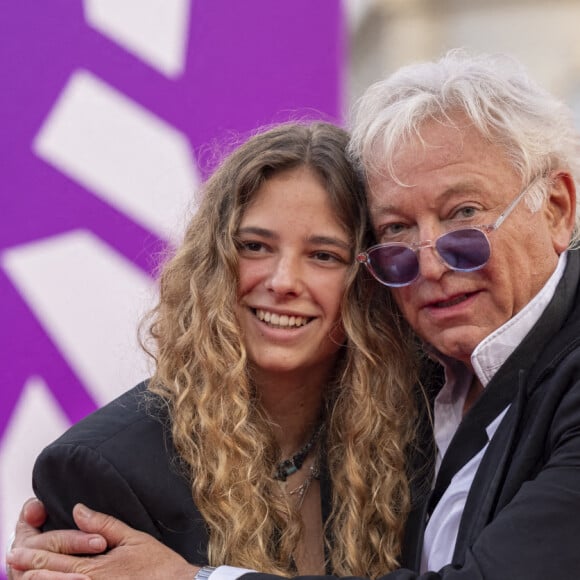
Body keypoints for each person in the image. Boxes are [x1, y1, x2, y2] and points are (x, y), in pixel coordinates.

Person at [9, 47, 580, 578]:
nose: (429, 264)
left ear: (557, 208)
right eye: (398, 231)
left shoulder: (400, 414)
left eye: (464, 215)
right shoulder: (107, 467)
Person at [4, 122, 422, 578]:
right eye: (254, 247)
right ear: (213, 264)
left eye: (324, 255)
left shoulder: (416, 436)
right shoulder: (103, 471)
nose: (283, 282)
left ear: (370, 279)